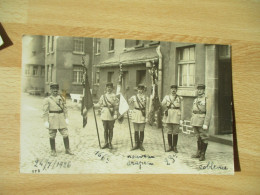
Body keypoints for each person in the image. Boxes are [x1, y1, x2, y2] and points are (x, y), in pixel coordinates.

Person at [43, 83, 73, 157]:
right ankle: (53, 150)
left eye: (56, 90)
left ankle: (67, 149)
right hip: (52, 118)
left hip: (61, 118)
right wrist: (46, 121)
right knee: (52, 134)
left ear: (58, 90)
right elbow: (45, 111)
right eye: (53, 90)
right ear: (50, 90)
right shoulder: (47, 100)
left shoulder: (62, 98)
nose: (55, 91)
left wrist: (66, 118)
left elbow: (65, 109)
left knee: (65, 133)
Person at [190, 84, 211, 161]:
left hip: (202, 121)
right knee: (198, 137)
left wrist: (206, 123)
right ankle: (198, 153)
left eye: (201, 89)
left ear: (204, 90)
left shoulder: (206, 99)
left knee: (204, 137)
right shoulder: (195, 100)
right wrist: (192, 119)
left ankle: (203, 154)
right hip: (195, 120)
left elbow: (208, 112)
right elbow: (193, 110)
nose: (199, 91)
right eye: (198, 89)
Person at [96, 82, 118, 149]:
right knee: (105, 129)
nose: (109, 89)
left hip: (111, 113)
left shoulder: (114, 96)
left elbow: (116, 106)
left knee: (111, 129)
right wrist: (93, 105)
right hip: (104, 113)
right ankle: (106, 142)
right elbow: (99, 104)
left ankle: (110, 143)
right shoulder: (103, 96)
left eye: (110, 87)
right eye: (108, 87)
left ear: (112, 88)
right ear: (106, 88)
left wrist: (115, 113)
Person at [161, 85, 183, 153]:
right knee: (169, 131)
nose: (173, 90)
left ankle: (175, 147)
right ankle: (170, 146)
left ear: (176, 90)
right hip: (169, 115)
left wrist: (182, 118)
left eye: (175, 89)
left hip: (176, 115)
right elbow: (161, 104)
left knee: (175, 132)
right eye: (172, 89)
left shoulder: (180, 98)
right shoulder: (166, 97)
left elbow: (182, 108)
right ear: (170, 90)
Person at [128, 84, 149, 151]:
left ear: (143, 90)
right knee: (136, 130)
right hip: (135, 113)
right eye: (139, 89)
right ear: (137, 90)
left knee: (142, 130)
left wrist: (147, 116)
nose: (140, 91)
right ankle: (136, 144)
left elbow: (147, 108)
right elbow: (129, 102)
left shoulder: (146, 98)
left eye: (141, 90)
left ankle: (141, 144)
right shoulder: (134, 97)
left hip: (142, 114)